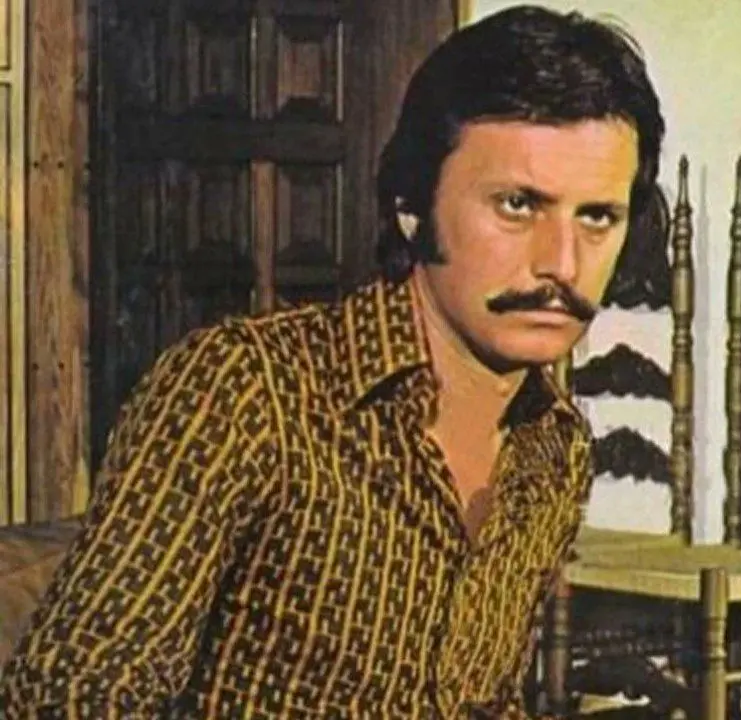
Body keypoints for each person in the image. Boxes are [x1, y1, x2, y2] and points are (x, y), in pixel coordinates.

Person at [0, 5, 664, 717]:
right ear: (411, 206)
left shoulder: (556, 446)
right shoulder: (247, 388)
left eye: (597, 216)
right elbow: (70, 696)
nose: (562, 263)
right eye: (517, 205)